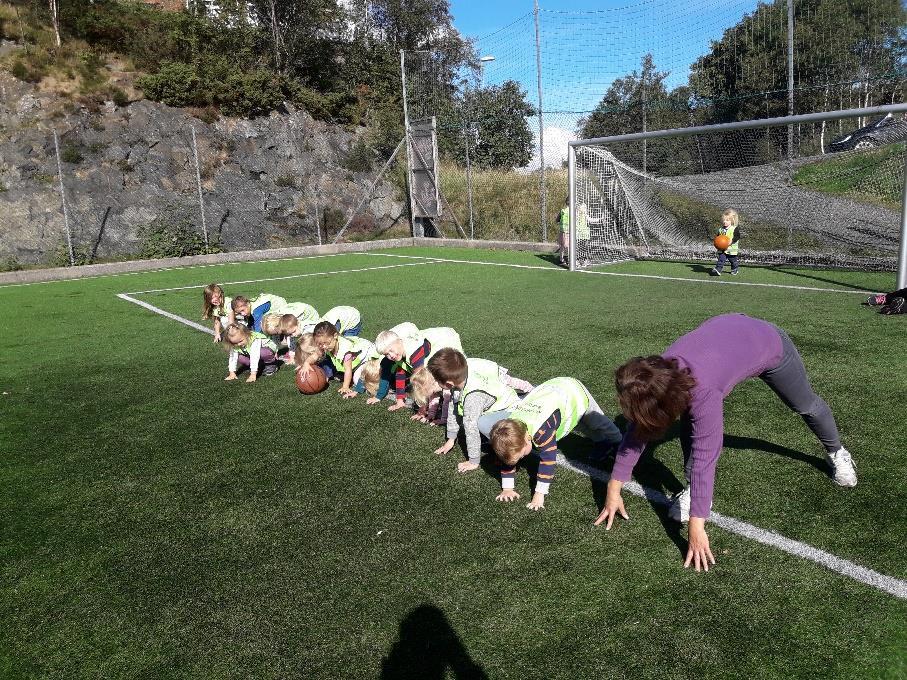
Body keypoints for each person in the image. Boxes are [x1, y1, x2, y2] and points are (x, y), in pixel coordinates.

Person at [594, 313, 857, 573]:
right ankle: (694, 492)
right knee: (688, 417)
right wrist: (613, 489)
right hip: (726, 336)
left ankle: (837, 451)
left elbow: (705, 457)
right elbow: (639, 429)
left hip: (767, 342)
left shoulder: (702, 390)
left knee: (805, 404)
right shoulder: (658, 374)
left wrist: (696, 529)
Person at [488, 377, 623, 510]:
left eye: (521, 456)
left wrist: (539, 495)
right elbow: (506, 457)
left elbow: (548, 460)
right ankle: (602, 443)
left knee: (598, 422)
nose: (520, 460)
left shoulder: (541, 431)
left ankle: (620, 442)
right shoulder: (509, 428)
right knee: (583, 426)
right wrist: (507, 488)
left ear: (527, 438)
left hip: (573, 391)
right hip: (553, 393)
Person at [427, 349, 533, 473]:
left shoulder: (473, 398)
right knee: (476, 418)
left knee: (481, 423)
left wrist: (473, 460)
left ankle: (511, 445)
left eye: (437, 380)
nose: (436, 382)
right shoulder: (465, 367)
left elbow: (471, 428)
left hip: (510, 410)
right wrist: (450, 439)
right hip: (504, 400)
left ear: (449, 383)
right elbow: (453, 406)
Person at [375, 323, 463, 412]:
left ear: (400, 341)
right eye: (387, 354)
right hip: (433, 346)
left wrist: (422, 408)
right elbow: (400, 375)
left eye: (391, 350)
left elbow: (421, 381)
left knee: (455, 373)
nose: (391, 355)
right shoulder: (399, 353)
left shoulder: (414, 352)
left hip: (447, 338)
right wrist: (400, 401)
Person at [301, 320, 379, 397]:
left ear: (335, 336)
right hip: (357, 362)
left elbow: (348, 369)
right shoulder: (326, 344)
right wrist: (306, 363)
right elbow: (315, 355)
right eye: (320, 344)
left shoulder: (345, 350)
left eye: (326, 343)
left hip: (368, 358)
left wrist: (345, 386)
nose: (324, 347)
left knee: (357, 379)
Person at [710, 208, 741, 276]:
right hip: (722, 249)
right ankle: (718, 270)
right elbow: (718, 238)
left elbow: (737, 237)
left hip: (731, 249)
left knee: (733, 261)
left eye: (727, 220)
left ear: (732, 221)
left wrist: (731, 241)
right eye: (724, 220)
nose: (725, 222)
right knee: (721, 259)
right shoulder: (720, 229)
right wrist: (716, 242)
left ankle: (734, 269)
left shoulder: (734, 229)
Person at [557, 198, 570, 266]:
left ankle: (561, 259)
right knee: (568, 246)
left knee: (562, 246)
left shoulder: (562, 210)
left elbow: (557, 220)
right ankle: (569, 260)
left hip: (562, 231)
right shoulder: (573, 211)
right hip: (569, 231)